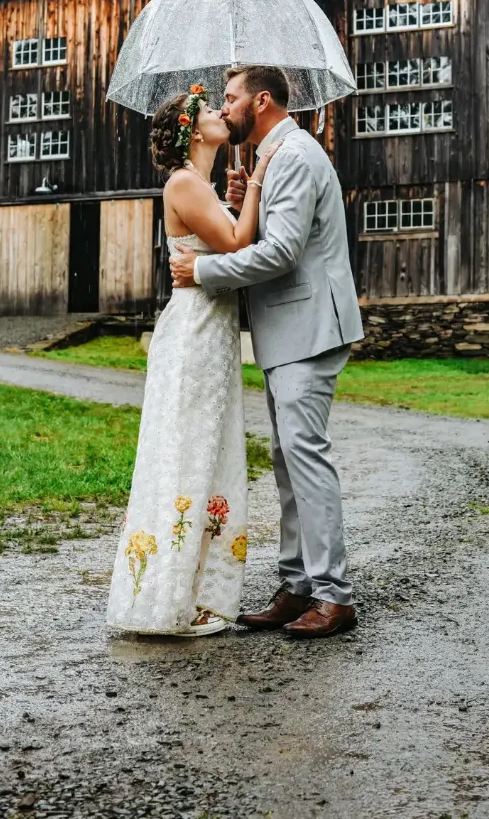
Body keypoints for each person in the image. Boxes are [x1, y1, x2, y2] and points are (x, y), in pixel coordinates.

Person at [170, 65, 364, 639]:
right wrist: (244, 205)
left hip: (308, 326)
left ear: (259, 102)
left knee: (305, 455)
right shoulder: (269, 158)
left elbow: (281, 253)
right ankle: (297, 584)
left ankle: (334, 595)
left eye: (229, 99)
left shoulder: (295, 156)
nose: (222, 108)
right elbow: (269, 235)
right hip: (288, 330)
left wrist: (202, 269)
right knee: (287, 459)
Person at [106, 84, 280, 637]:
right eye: (209, 110)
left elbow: (225, 233)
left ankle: (196, 591)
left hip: (209, 334)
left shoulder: (198, 184)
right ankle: (169, 596)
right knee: (188, 454)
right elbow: (234, 241)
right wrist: (255, 180)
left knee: (208, 453)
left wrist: (234, 190)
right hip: (195, 338)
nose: (219, 113)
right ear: (190, 131)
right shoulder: (184, 182)